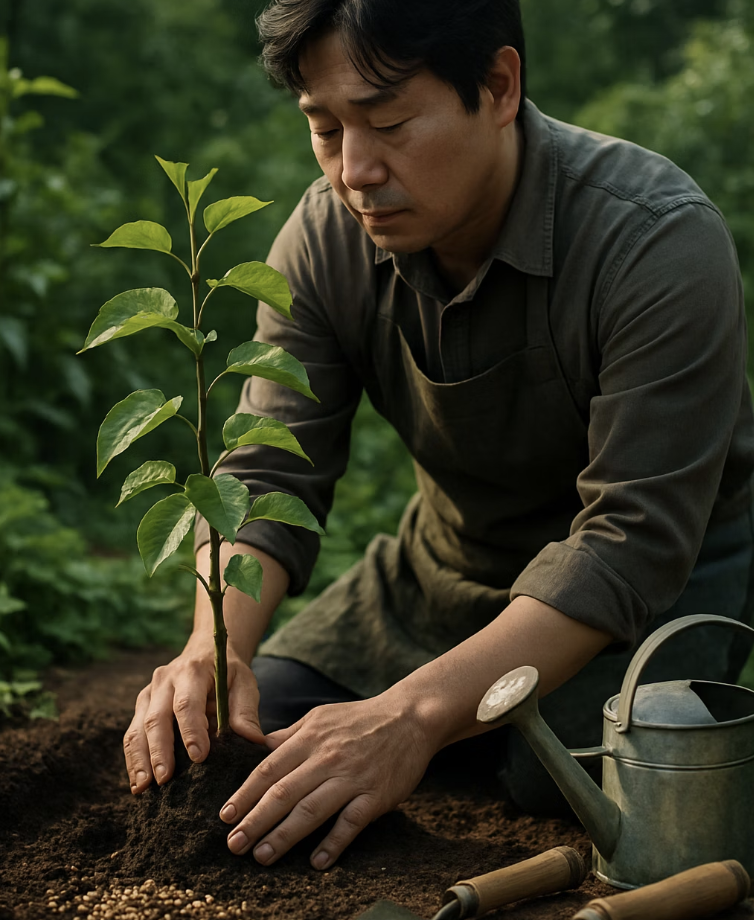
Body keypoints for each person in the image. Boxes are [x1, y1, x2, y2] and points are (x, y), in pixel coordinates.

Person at [123, 0, 754, 873]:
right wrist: (212, 648)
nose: (354, 170)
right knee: (257, 724)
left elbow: (631, 542)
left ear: (498, 85)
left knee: (570, 777)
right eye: (324, 126)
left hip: (650, 597)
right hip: (440, 579)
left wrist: (410, 717)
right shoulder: (324, 237)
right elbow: (268, 471)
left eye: (386, 123)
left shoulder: (654, 240)